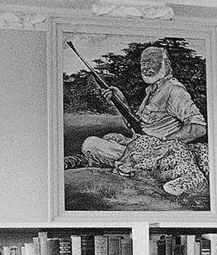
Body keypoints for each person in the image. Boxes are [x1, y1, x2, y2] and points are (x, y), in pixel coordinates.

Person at [65, 45, 207, 169]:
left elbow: (198, 128)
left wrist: (161, 143)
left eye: (151, 62)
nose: (145, 68)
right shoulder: (151, 91)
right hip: (139, 145)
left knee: (90, 144)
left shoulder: (174, 90)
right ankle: (104, 161)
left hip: (155, 152)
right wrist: (121, 102)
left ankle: (95, 162)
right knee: (111, 138)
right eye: (143, 64)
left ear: (167, 64)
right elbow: (137, 126)